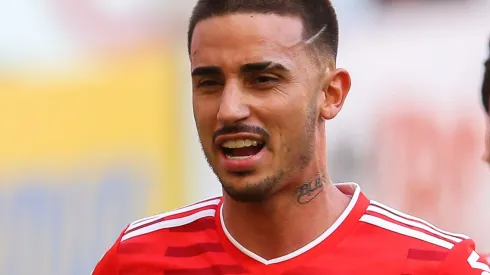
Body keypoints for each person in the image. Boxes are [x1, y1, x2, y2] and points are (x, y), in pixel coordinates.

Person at [92, 1, 489, 274]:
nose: (229, 109)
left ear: (331, 94)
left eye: (262, 80)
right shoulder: (137, 259)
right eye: (209, 83)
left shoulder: (437, 265)